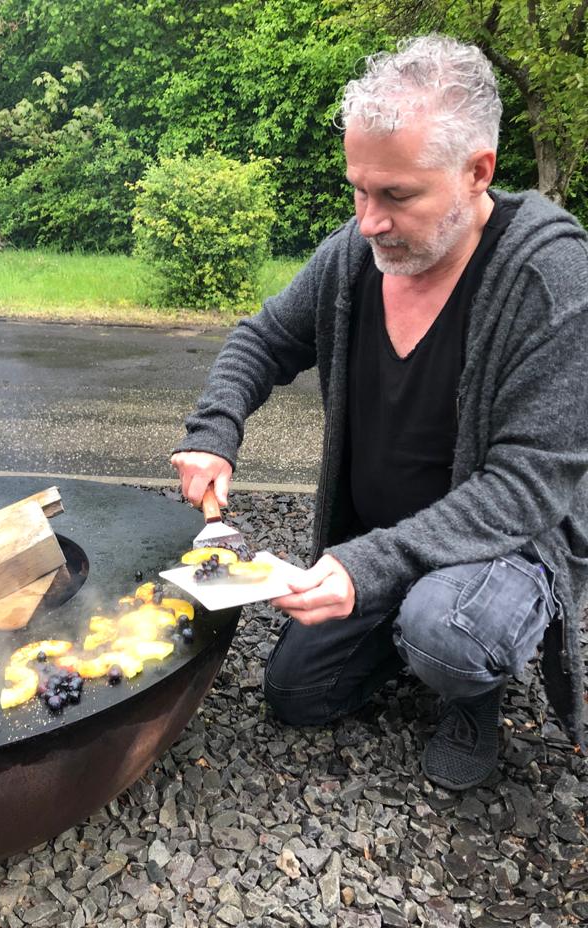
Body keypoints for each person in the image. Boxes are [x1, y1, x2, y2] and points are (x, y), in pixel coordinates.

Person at [171, 34, 588, 791]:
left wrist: (364, 569)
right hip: (386, 542)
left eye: (396, 195)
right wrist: (214, 434)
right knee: (297, 696)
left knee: (448, 634)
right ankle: (406, 623)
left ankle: (472, 696)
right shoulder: (353, 257)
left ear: (477, 172)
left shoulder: (550, 278)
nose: (368, 221)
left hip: (503, 542)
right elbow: (263, 338)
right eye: (358, 190)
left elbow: (527, 485)